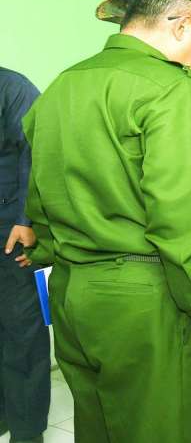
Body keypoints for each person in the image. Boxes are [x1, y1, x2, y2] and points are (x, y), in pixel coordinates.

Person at [23, 0, 191, 443]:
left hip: (73, 291)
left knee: (100, 427)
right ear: (184, 23)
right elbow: (183, 222)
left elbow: (40, 195)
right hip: (150, 299)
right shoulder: (175, 88)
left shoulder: (64, 83)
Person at [0, 68, 49, 443]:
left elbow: (37, 153)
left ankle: (27, 429)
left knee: (21, 329)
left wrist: (26, 219)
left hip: (11, 229)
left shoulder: (13, 88)